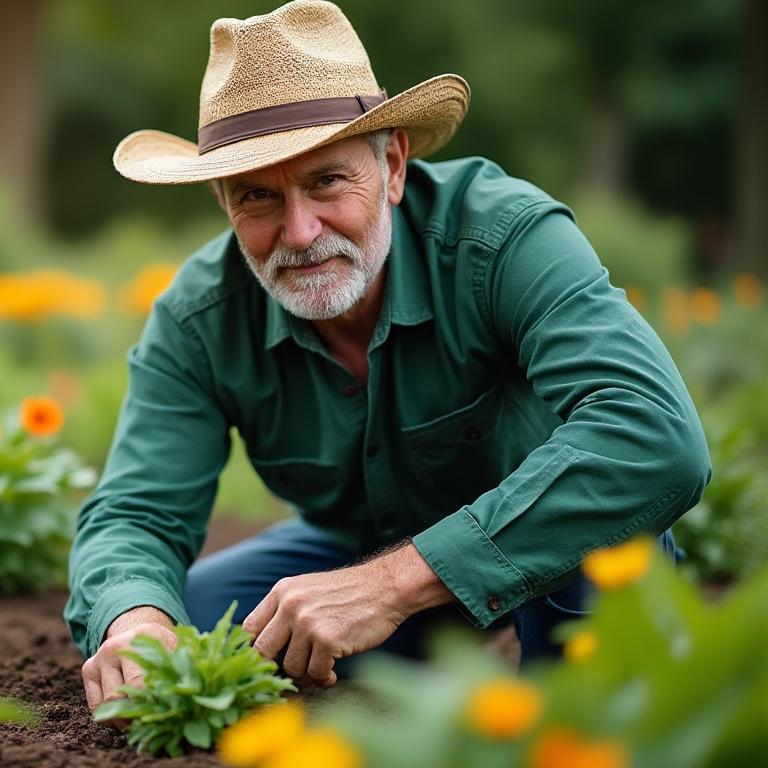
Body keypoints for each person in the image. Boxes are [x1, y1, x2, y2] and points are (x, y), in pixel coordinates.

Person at [68, 0, 710, 714]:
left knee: (606, 586)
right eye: (257, 197)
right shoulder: (199, 318)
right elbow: (135, 515)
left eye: (326, 182)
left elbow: (656, 437)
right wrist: (135, 621)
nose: (300, 231)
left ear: (395, 164)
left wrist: (393, 584)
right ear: (223, 203)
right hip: (356, 553)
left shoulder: (503, 240)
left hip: (546, 548)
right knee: (192, 617)